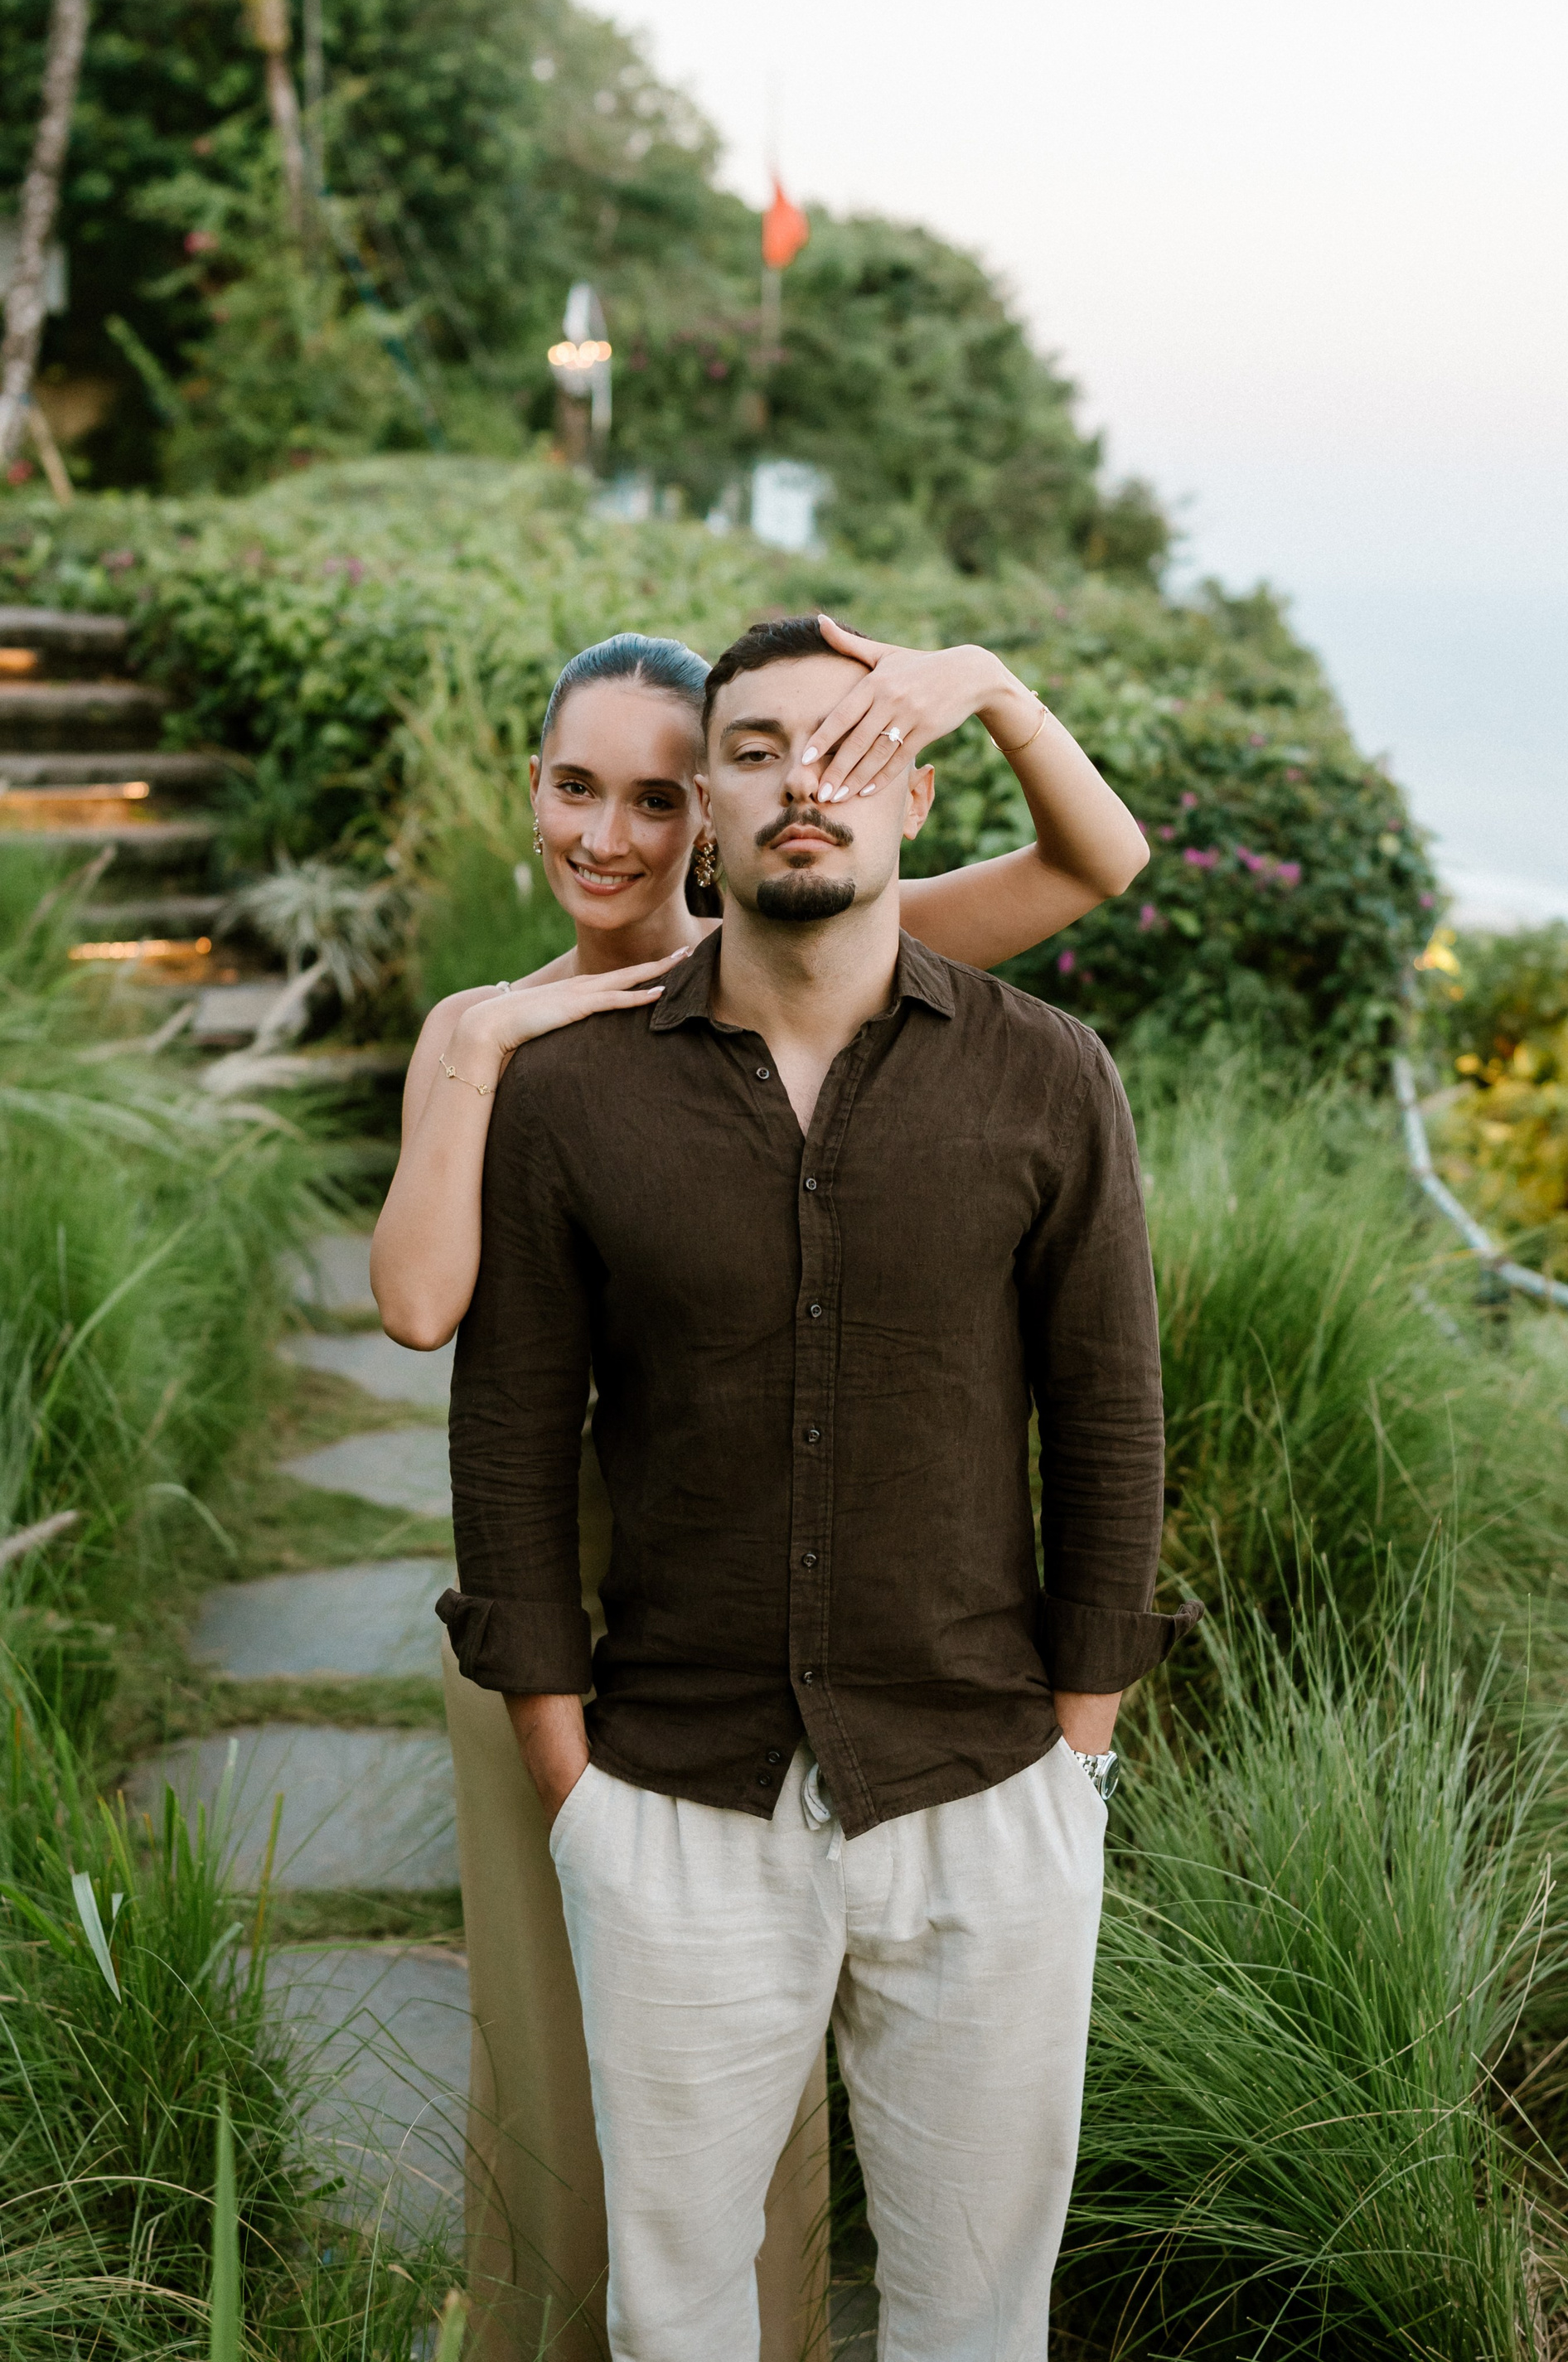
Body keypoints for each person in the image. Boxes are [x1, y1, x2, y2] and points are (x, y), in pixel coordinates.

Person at [372, 617, 1153, 2360]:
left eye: (654, 796)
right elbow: (439, 1336)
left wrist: (983, 681)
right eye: (585, 791)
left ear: (707, 835)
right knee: (609, 2153)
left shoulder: (875, 935)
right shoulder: (525, 1056)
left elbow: (1096, 863)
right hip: (622, 1680)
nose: (616, 836)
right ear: (538, 792)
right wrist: (490, 1042)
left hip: (943, 1729)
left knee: (946, 2271)